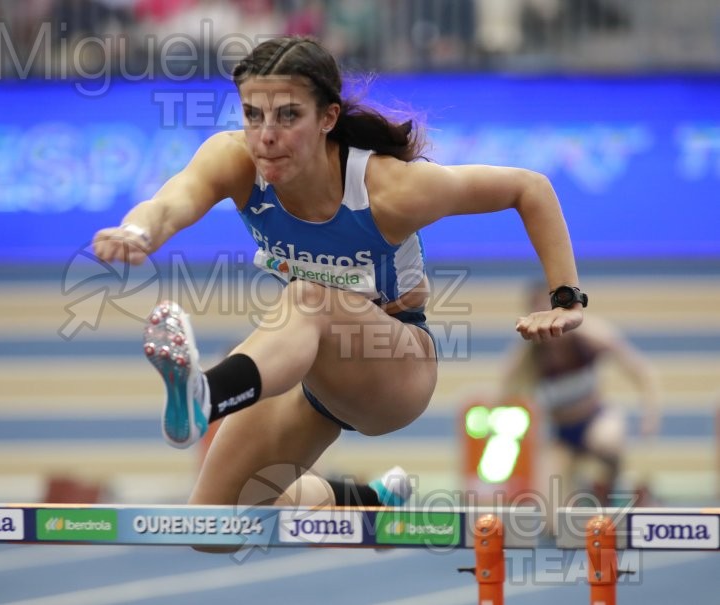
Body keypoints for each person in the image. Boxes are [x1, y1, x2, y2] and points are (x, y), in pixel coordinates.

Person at [92, 35, 585, 523]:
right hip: (316, 378)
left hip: (396, 366)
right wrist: (138, 231)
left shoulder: (390, 189)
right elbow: (172, 200)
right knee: (213, 522)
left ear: (327, 118)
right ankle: (361, 500)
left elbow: (529, 188)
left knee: (309, 298)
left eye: (288, 116)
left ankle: (207, 394)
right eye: (252, 115)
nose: (266, 135)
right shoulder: (235, 162)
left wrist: (565, 298)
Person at [500, 284, 660, 510]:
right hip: (561, 435)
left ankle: (612, 485)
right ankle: (584, 490)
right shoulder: (528, 355)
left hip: (596, 419)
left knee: (607, 441)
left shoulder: (591, 336)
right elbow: (505, 393)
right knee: (552, 521)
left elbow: (641, 371)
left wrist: (650, 415)